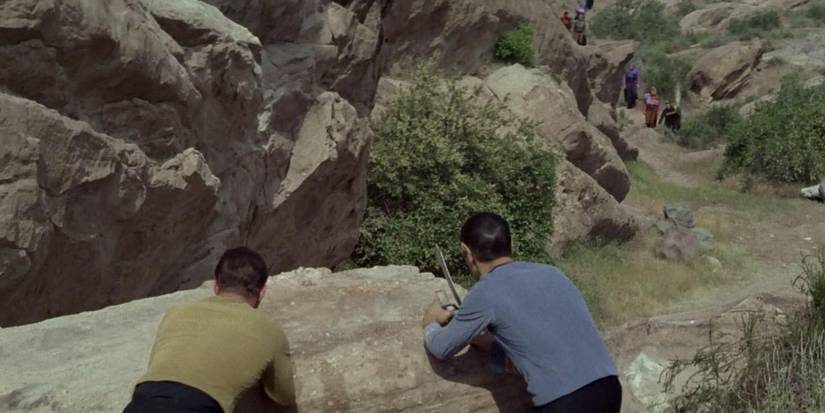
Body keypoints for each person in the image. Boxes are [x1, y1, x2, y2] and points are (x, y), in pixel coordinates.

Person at [421, 213, 621, 413]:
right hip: (610, 389)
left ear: (467, 252)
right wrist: (485, 341)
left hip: (565, 403)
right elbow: (539, 342)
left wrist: (431, 321)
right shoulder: (553, 273)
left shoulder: (485, 291)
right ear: (512, 244)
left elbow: (441, 347)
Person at [124, 247, 296, 413]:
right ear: (263, 291)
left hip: (140, 403)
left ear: (215, 285)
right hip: (200, 406)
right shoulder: (270, 330)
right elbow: (284, 396)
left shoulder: (176, 313)